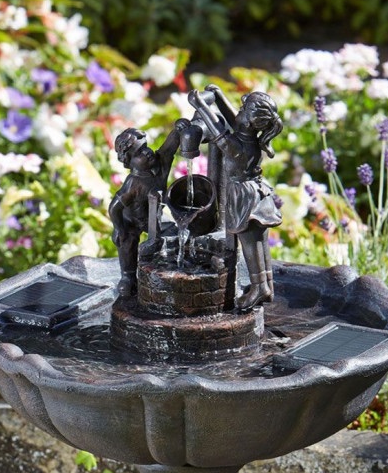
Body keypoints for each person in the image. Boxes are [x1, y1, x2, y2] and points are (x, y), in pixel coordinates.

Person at [187, 85, 283, 310]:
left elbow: (218, 130)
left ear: (250, 121)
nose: (237, 111)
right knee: (260, 241)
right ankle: (266, 285)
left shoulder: (238, 146)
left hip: (244, 197)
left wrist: (200, 105)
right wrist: (219, 96)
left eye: (242, 108)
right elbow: (232, 120)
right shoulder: (247, 136)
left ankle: (258, 288)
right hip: (257, 193)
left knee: (249, 243)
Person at [109, 121, 187, 296]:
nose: (146, 152)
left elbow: (168, 148)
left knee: (174, 233)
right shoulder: (133, 184)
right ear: (129, 161)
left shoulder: (160, 165)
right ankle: (128, 276)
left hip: (154, 217)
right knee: (126, 242)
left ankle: (169, 270)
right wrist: (119, 228)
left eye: (145, 147)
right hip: (131, 220)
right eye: (139, 153)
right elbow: (114, 208)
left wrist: (177, 131)